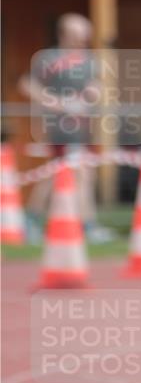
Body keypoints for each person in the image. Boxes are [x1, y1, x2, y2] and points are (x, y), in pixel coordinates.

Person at [18, 13, 106, 240]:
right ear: (64, 34)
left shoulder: (89, 61)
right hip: (59, 127)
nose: (83, 40)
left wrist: (93, 93)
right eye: (78, 35)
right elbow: (27, 84)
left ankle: (33, 219)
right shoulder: (48, 59)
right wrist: (53, 102)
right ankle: (86, 224)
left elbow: (96, 87)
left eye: (85, 35)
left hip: (83, 126)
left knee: (71, 173)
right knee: (72, 172)